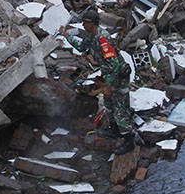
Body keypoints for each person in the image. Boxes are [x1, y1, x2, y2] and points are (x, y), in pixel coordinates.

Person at [59, 10, 138, 154]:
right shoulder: (91, 35)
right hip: (108, 74)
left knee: (120, 108)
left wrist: (108, 86)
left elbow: (114, 64)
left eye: (85, 22)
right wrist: (66, 35)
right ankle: (114, 130)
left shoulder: (103, 39)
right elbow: (82, 47)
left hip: (118, 77)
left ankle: (129, 140)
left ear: (92, 24)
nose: (83, 25)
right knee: (109, 104)